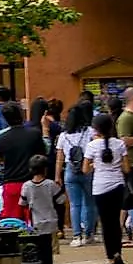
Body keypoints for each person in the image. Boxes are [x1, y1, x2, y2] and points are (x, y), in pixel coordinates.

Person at [84, 114, 130, 264]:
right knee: (115, 222)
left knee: (106, 223)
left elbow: (85, 169)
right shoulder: (120, 144)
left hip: (100, 187)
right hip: (117, 185)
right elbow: (126, 168)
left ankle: (110, 257)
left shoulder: (92, 146)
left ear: (96, 128)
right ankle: (118, 253)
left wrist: (95, 166)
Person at [0, 100, 49, 223]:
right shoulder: (34, 134)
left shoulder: (1, 138)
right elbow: (46, 152)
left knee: (13, 222)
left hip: (10, 185)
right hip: (34, 183)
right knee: (36, 222)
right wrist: (45, 132)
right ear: (21, 114)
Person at [57, 101, 98, 245]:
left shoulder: (63, 136)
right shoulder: (90, 132)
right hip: (87, 168)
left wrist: (57, 176)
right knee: (89, 203)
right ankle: (88, 234)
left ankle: (76, 236)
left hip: (70, 169)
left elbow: (60, 157)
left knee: (74, 204)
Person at [22, 167, 63, 239]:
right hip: (51, 223)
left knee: (38, 247)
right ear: (45, 169)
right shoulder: (51, 184)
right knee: (52, 248)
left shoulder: (26, 185)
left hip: (35, 224)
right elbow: (61, 200)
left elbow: (22, 203)